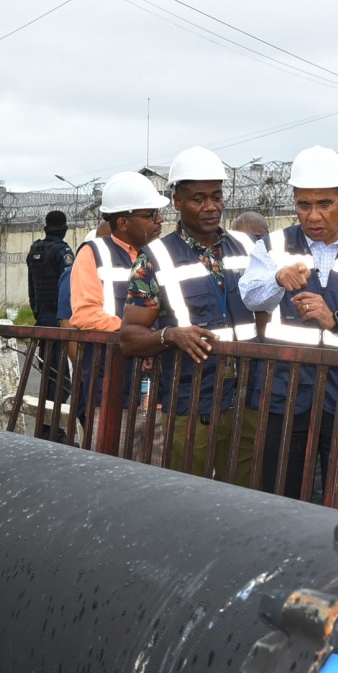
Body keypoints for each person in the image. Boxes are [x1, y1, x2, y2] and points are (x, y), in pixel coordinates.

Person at [239, 145, 338, 515]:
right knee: (281, 500)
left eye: (324, 204)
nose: (313, 216)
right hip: (285, 392)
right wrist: (278, 278)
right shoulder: (273, 246)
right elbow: (250, 295)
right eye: (303, 205)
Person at [119, 147, 258, 479]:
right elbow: (128, 338)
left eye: (216, 196)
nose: (210, 207)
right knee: (188, 498)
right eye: (198, 199)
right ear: (178, 201)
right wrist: (169, 336)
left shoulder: (249, 249)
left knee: (245, 500)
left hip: (249, 400)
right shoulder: (155, 258)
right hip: (191, 404)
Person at [70, 172, 167, 431]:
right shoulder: (94, 253)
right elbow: (85, 315)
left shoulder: (163, 254)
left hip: (163, 393)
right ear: (123, 222)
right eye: (150, 215)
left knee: (159, 469)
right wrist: (142, 334)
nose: (160, 220)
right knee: (111, 466)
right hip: (112, 389)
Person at [26, 210, 75, 439]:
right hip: (58, 319)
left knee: (48, 372)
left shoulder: (35, 249)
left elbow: (32, 289)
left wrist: (38, 313)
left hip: (43, 318)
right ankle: (54, 428)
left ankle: (46, 426)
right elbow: (70, 286)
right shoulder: (62, 251)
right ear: (64, 227)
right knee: (60, 377)